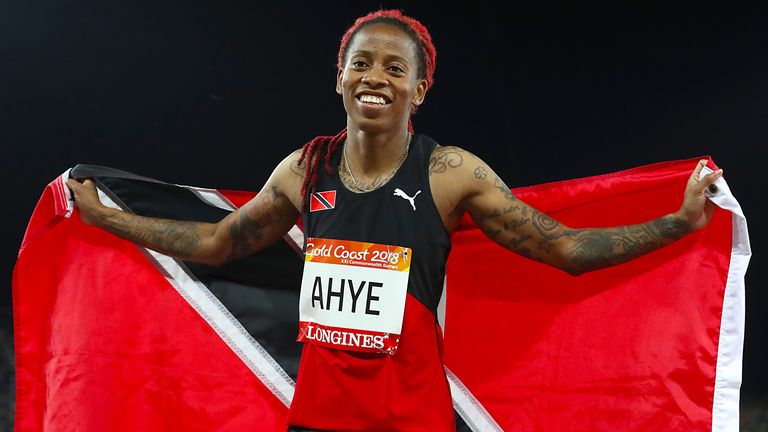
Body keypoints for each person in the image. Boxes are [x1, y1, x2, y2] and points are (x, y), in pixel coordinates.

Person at [66, 9, 723, 431]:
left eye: (393, 67)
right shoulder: (305, 168)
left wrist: (679, 224)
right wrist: (105, 217)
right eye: (360, 62)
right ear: (339, 77)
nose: (373, 77)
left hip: (412, 420)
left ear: (420, 87)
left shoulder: (451, 172)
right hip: (319, 418)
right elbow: (214, 242)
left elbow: (568, 250)